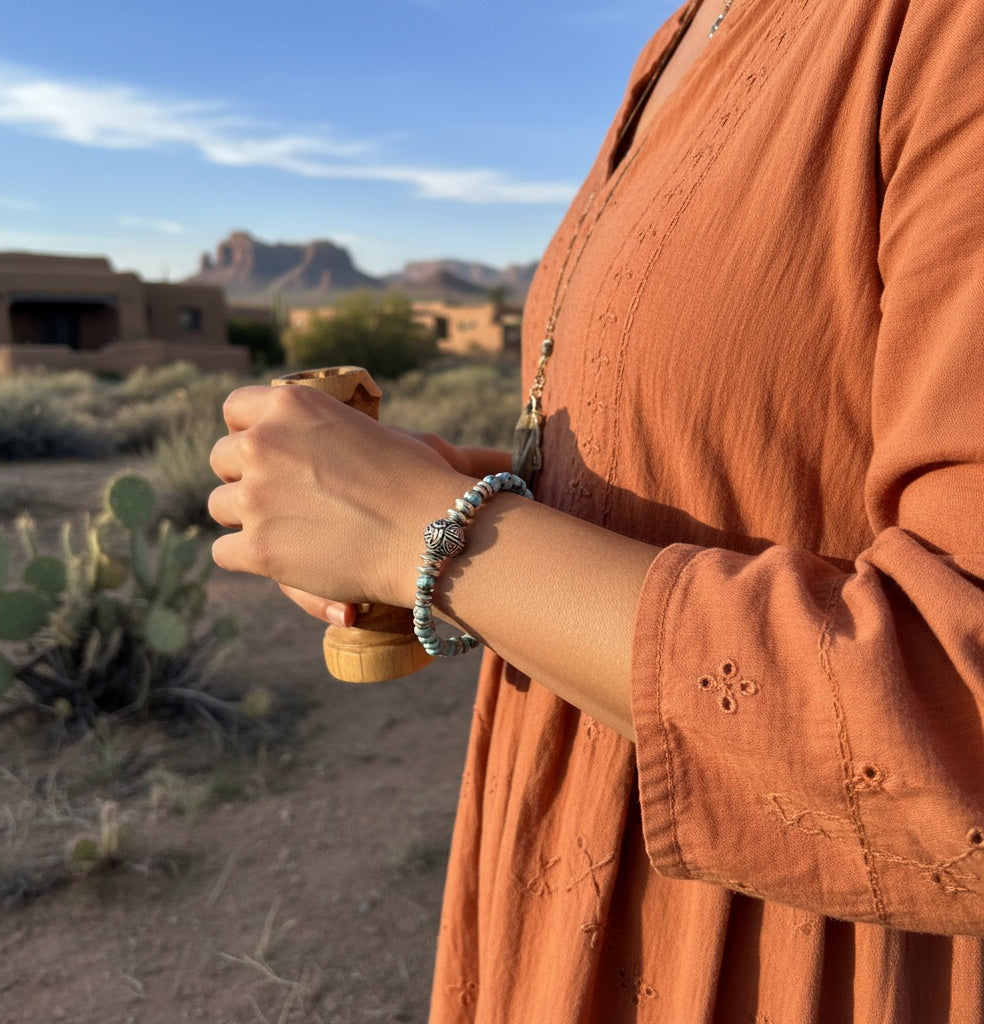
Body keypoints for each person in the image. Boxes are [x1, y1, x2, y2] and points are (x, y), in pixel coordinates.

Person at [208, 0, 984, 1018]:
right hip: (565, 872)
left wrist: (431, 534)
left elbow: (955, 716)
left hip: (800, 962)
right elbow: (743, 457)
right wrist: (447, 496)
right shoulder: (675, 43)